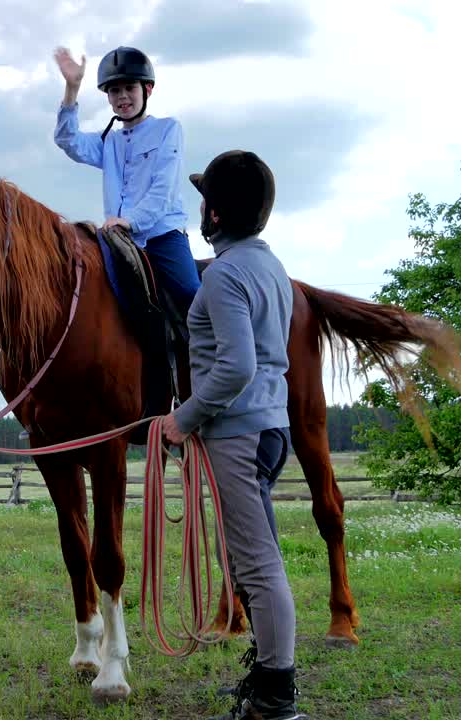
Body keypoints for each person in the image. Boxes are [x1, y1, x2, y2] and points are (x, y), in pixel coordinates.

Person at [160, 150, 307, 720]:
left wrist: (184, 417)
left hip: (238, 435)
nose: (199, 209)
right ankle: (269, 677)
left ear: (215, 214)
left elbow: (237, 365)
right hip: (270, 426)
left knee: (257, 565)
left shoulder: (222, 276)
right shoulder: (269, 265)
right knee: (256, 560)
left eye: (203, 200)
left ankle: (276, 699)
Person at [52, 45, 201, 318]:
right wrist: (72, 89)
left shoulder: (168, 129)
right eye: (114, 90)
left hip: (162, 236)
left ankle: (211, 357)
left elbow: (163, 190)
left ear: (148, 89)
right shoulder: (109, 140)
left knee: (191, 296)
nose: (122, 96)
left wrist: (130, 221)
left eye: (129, 87)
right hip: (118, 240)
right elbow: (68, 140)